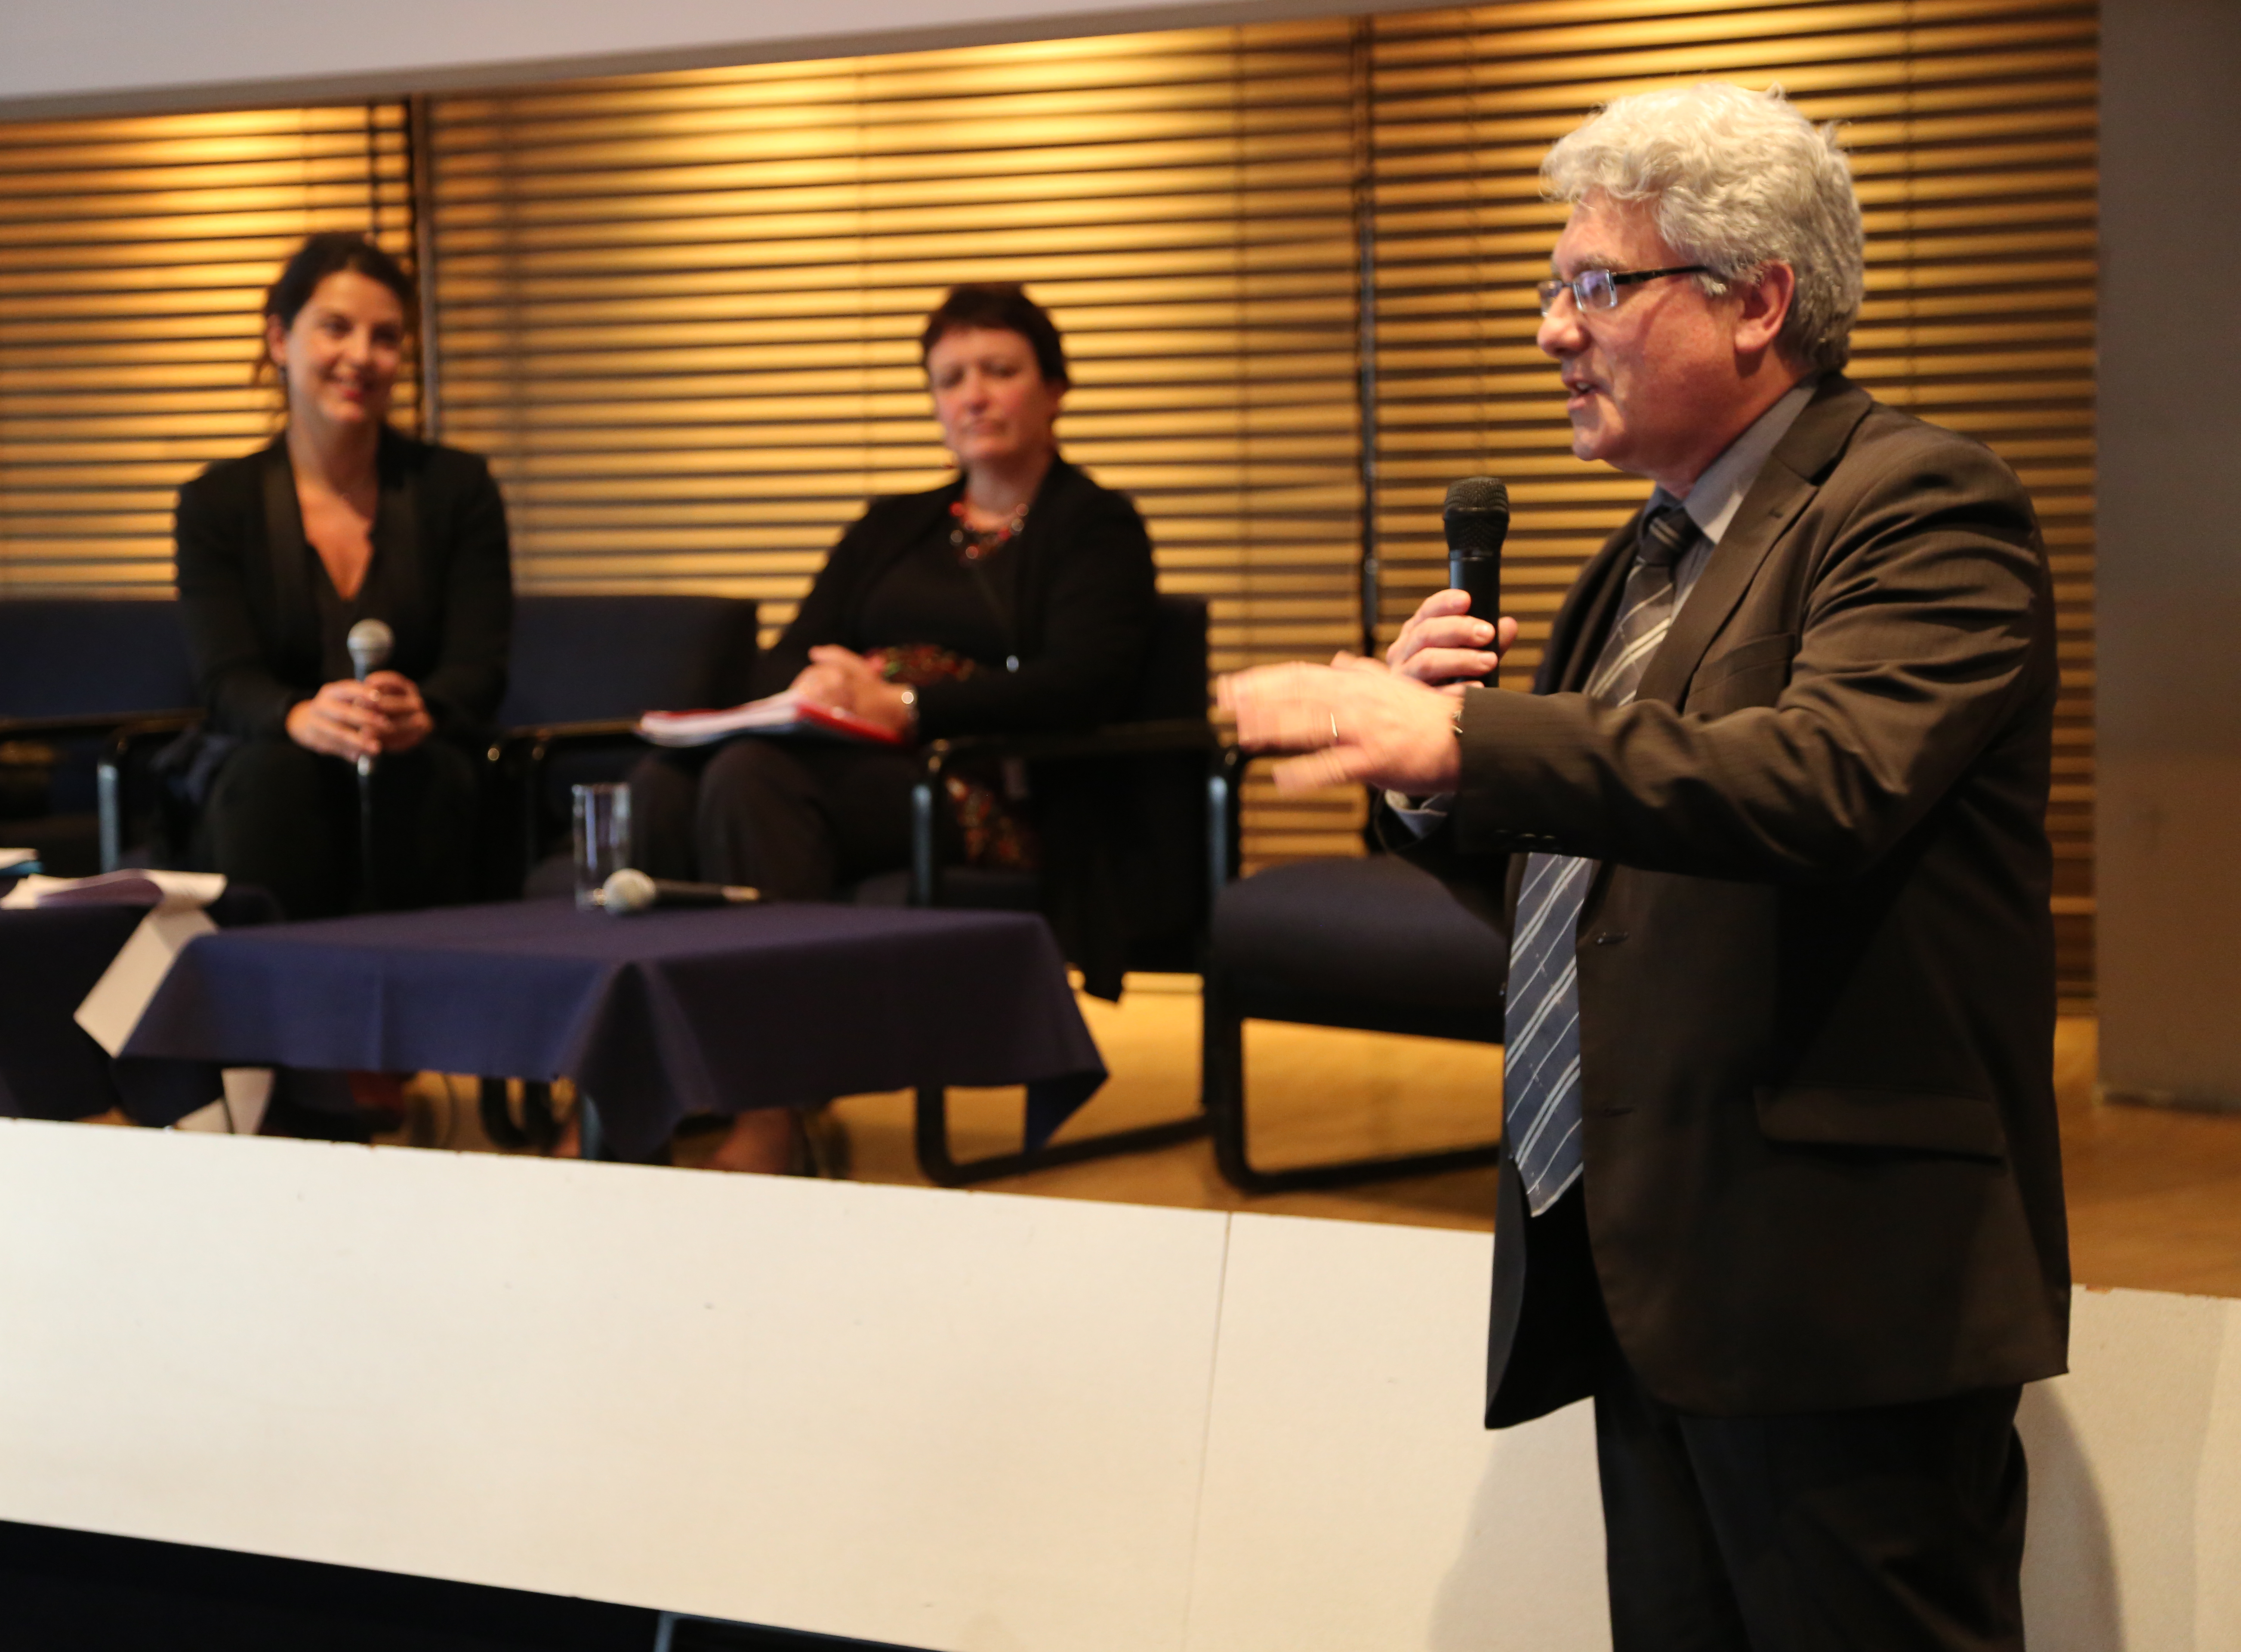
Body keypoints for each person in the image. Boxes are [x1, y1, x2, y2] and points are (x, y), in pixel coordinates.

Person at [1222, 85, 2067, 1649]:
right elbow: (1600, 893)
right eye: (1554, 287)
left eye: (1597, 286)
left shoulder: (1922, 505)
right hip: (1653, 1257)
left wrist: (1468, 748)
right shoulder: (1649, 550)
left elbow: (1824, 784)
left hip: (1835, 1285)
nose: (1555, 330)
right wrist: (1433, 789)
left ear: (1758, 302)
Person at [629, 282, 1158, 1173]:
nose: (974, 395)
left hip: (989, 792)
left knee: (751, 782)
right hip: (848, 767)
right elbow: (787, 653)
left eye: (1000, 370)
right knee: (665, 788)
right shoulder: (892, 525)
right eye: (951, 378)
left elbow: (1085, 685)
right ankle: (652, 1081)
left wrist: (909, 706)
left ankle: (774, 1104)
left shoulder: (1095, 527)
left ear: (1054, 389)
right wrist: (822, 685)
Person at [173, 232, 514, 924]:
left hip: (420, 760)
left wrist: (427, 709)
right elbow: (226, 679)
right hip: (270, 761)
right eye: (336, 328)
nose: (361, 356)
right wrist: (298, 716)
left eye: (385, 337)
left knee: (427, 780)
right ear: (279, 339)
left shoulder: (459, 488)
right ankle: (266, 1015)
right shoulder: (217, 503)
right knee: (271, 777)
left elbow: (479, 667)